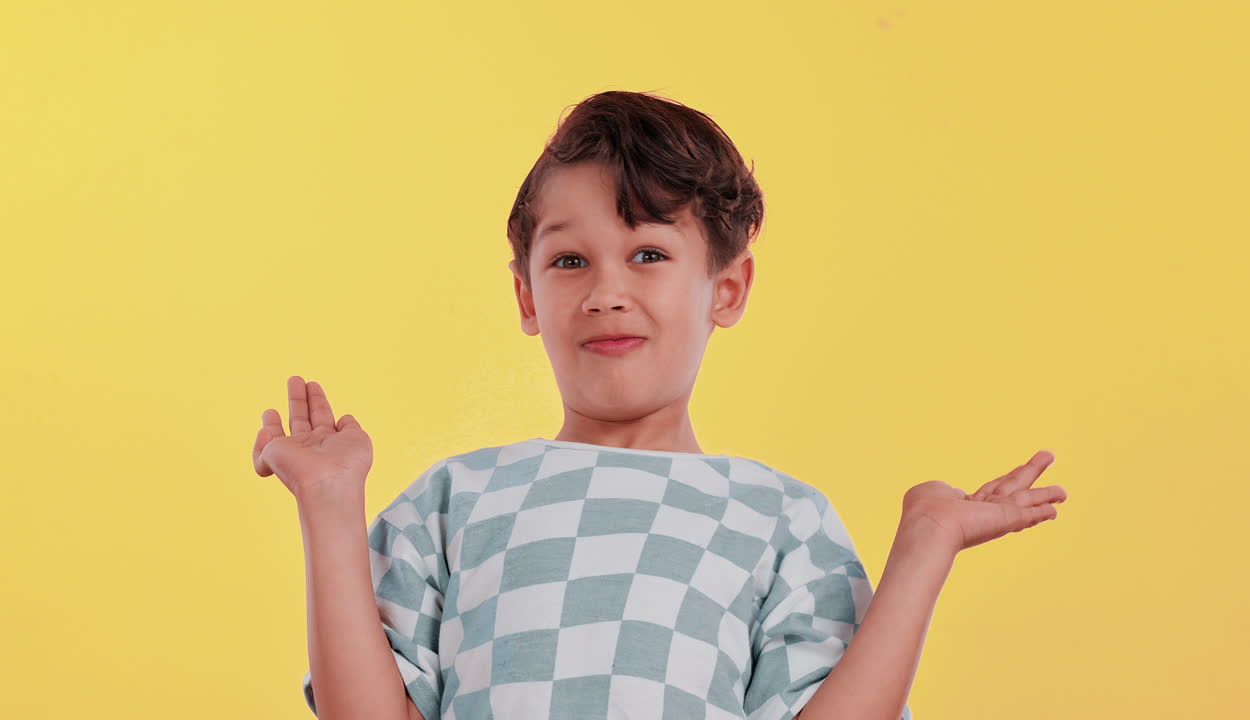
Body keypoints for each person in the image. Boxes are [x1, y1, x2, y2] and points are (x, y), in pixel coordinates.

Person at [252, 90, 1068, 720]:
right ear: (526, 297)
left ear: (728, 287)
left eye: (648, 252)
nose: (606, 292)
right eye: (569, 259)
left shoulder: (779, 517)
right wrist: (329, 505)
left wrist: (924, 548)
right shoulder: (454, 500)